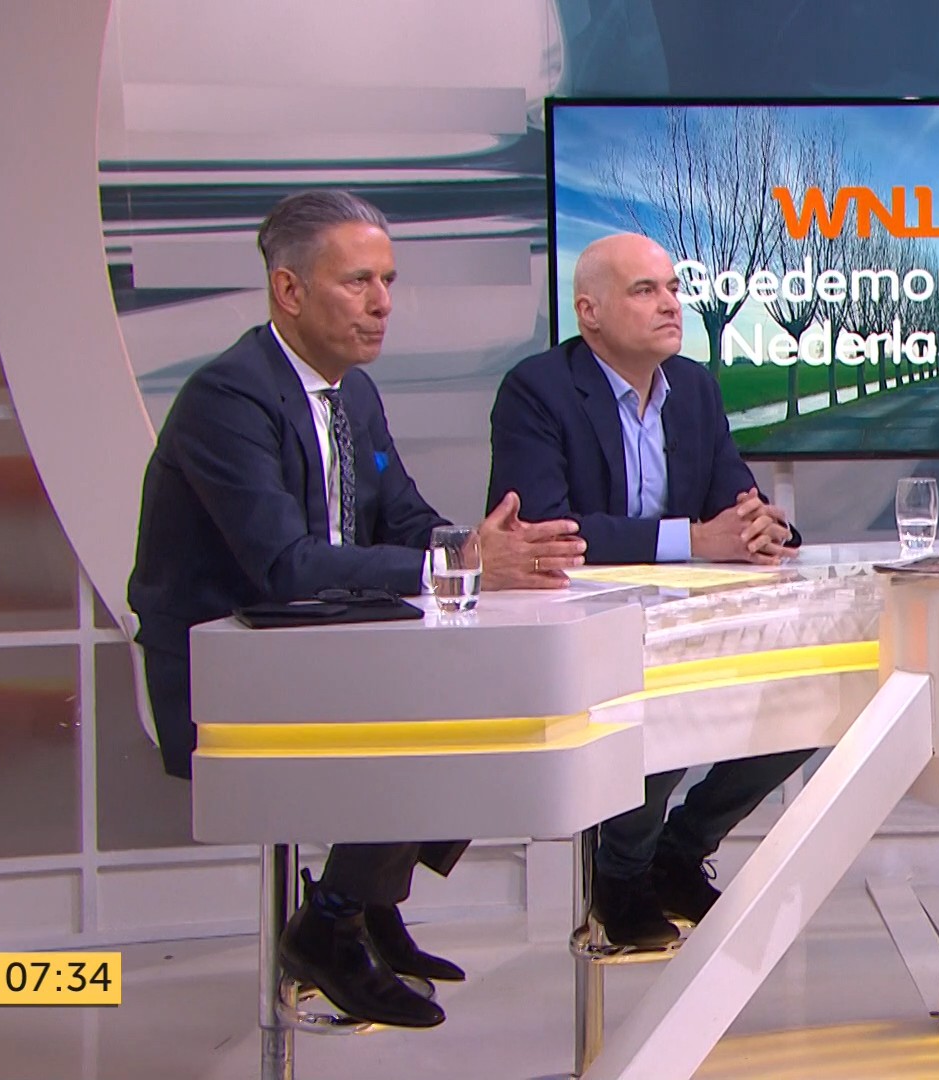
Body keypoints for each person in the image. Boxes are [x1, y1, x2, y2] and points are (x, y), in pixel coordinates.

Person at [128, 190, 586, 1028]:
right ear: (289, 290)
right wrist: (457, 565)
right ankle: (331, 924)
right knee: (443, 710)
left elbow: (403, 519)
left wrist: (484, 546)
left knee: (495, 695)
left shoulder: (355, 395)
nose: (382, 304)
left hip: (324, 648)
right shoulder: (229, 399)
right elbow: (286, 566)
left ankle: (367, 901)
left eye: (388, 281)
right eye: (358, 282)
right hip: (232, 672)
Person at [488, 232, 809, 948]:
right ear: (589, 312)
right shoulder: (538, 390)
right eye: (645, 291)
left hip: (687, 621)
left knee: (807, 701)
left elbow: (734, 498)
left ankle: (679, 851)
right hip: (583, 628)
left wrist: (765, 525)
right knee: (665, 704)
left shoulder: (692, 387)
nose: (671, 304)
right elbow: (543, 530)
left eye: (673, 288)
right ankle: (623, 875)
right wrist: (693, 539)